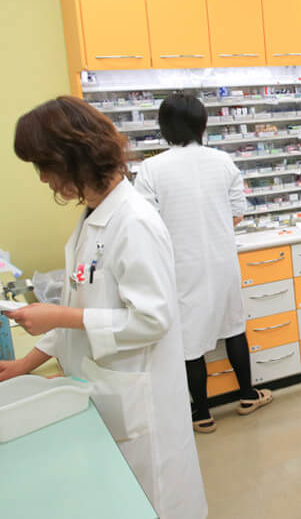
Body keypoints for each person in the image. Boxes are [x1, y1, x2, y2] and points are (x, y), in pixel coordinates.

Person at [1, 96, 207, 518]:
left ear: (71, 156)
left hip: (140, 405)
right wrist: (24, 366)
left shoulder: (134, 222)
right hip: (106, 390)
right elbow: (81, 305)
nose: (43, 179)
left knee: (155, 501)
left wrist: (57, 316)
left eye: (43, 165)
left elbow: (152, 319)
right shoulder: (94, 217)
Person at [134, 92, 271, 433]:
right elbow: (237, 213)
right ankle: (247, 394)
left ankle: (202, 413)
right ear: (202, 124)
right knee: (234, 326)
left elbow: (146, 223)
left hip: (180, 266)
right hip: (222, 261)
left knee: (190, 340)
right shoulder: (222, 161)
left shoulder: (152, 168)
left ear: (164, 127)